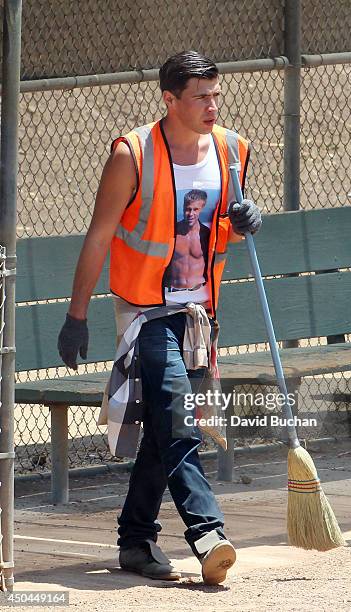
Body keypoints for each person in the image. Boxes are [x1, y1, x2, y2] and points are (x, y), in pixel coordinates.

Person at [57, 50, 261, 585]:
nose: (212, 105)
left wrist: (245, 221)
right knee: (176, 416)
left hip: (200, 313)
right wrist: (77, 314)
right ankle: (208, 533)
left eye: (216, 94)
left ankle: (134, 540)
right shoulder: (133, 154)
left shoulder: (232, 150)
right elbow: (100, 234)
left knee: (163, 431)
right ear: (169, 99)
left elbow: (225, 230)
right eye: (201, 96)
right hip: (145, 312)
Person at [164, 189, 210, 294]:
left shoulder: (207, 234)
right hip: (172, 292)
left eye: (195, 209)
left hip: (198, 292)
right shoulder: (171, 232)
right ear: (183, 207)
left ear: (202, 208)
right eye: (188, 209)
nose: (190, 213)